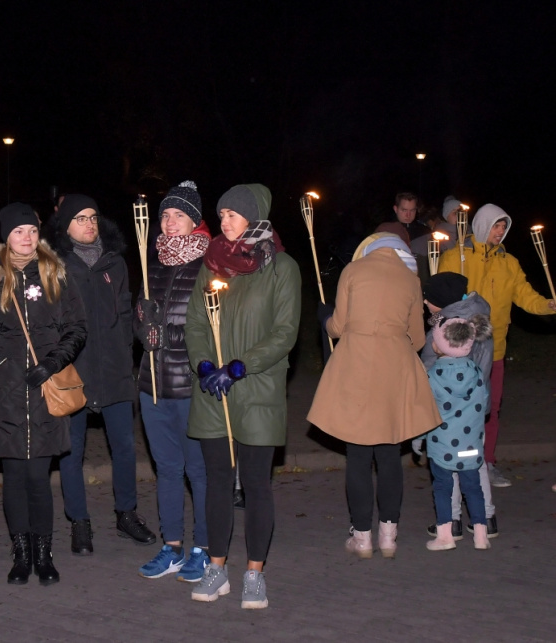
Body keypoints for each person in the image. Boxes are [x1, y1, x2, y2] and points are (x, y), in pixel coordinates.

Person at [185, 184, 301, 608]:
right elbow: (196, 322)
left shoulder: (281, 267)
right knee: (217, 482)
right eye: (221, 214)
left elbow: (285, 332)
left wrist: (240, 366)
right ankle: (217, 569)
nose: (225, 220)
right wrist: (205, 365)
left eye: (233, 213)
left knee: (255, 484)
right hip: (214, 393)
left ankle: (254, 572)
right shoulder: (212, 263)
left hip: (257, 389)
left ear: (254, 217)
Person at [0, 202, 87, 585]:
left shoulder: (55, 273)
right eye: (19, 231)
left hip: (44, 389)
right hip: (5, 390)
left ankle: (44, 554)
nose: (27, 238)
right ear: (6, 236)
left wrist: (52, 363)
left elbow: (77, 328)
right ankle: (21, 554)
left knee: (38, 476)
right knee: (14, 476)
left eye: (32, 231)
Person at [308, 232, 441, 560]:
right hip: (393, 369)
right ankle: (389, 536)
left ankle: (362, 537)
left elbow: (338, 326)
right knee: (389, 454)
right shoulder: (411, 280)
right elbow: (417, 338)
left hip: (357, 364)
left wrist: (324, 318)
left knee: (358, 456)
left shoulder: (353, 270)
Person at [45, 194, 155, 553]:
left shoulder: (114, 262)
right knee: (71, 450)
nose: (89, 224)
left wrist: (128, 345)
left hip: (114, 369)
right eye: (80, 218)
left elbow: (124, 312)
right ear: (66, 226)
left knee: (124, 446)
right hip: (73, 371)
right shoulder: (56, 265)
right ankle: (79, 522)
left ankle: (127, 514)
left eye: (92, 217)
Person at [438, 203, 556, 487]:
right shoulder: (456, 256)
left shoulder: (509, 262)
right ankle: (455, 463)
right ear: (482, 226)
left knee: (490, 407)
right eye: (496, 226)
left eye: (504, 226)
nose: (500, 231)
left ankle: (487, 463)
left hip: (496, 347)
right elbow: (441, 297)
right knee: (459, 407)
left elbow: (525, 295)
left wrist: (547, 305)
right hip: (461, 347)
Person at [133, 180, 211, 582]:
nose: (169, 221)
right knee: (166, 469)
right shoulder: (155, 263)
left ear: (195, 220)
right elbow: (140, 317)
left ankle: (204, 547)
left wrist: (166, 334)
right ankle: (172, 546)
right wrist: (143, 326)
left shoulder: (209, 264)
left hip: (190, 385)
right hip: (153, 384)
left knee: (198, 471)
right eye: (165, 214)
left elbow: (211, 326)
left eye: (179, 214)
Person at [417, 273, 497, 540]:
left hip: (446, 410)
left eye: (428, 298)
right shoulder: (479, 319)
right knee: (475, 462)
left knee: (445, 465)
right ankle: (485, 518)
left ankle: (450, 521)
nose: (425, 302)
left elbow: (428, 368)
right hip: (474, 408)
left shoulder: (444, 329)